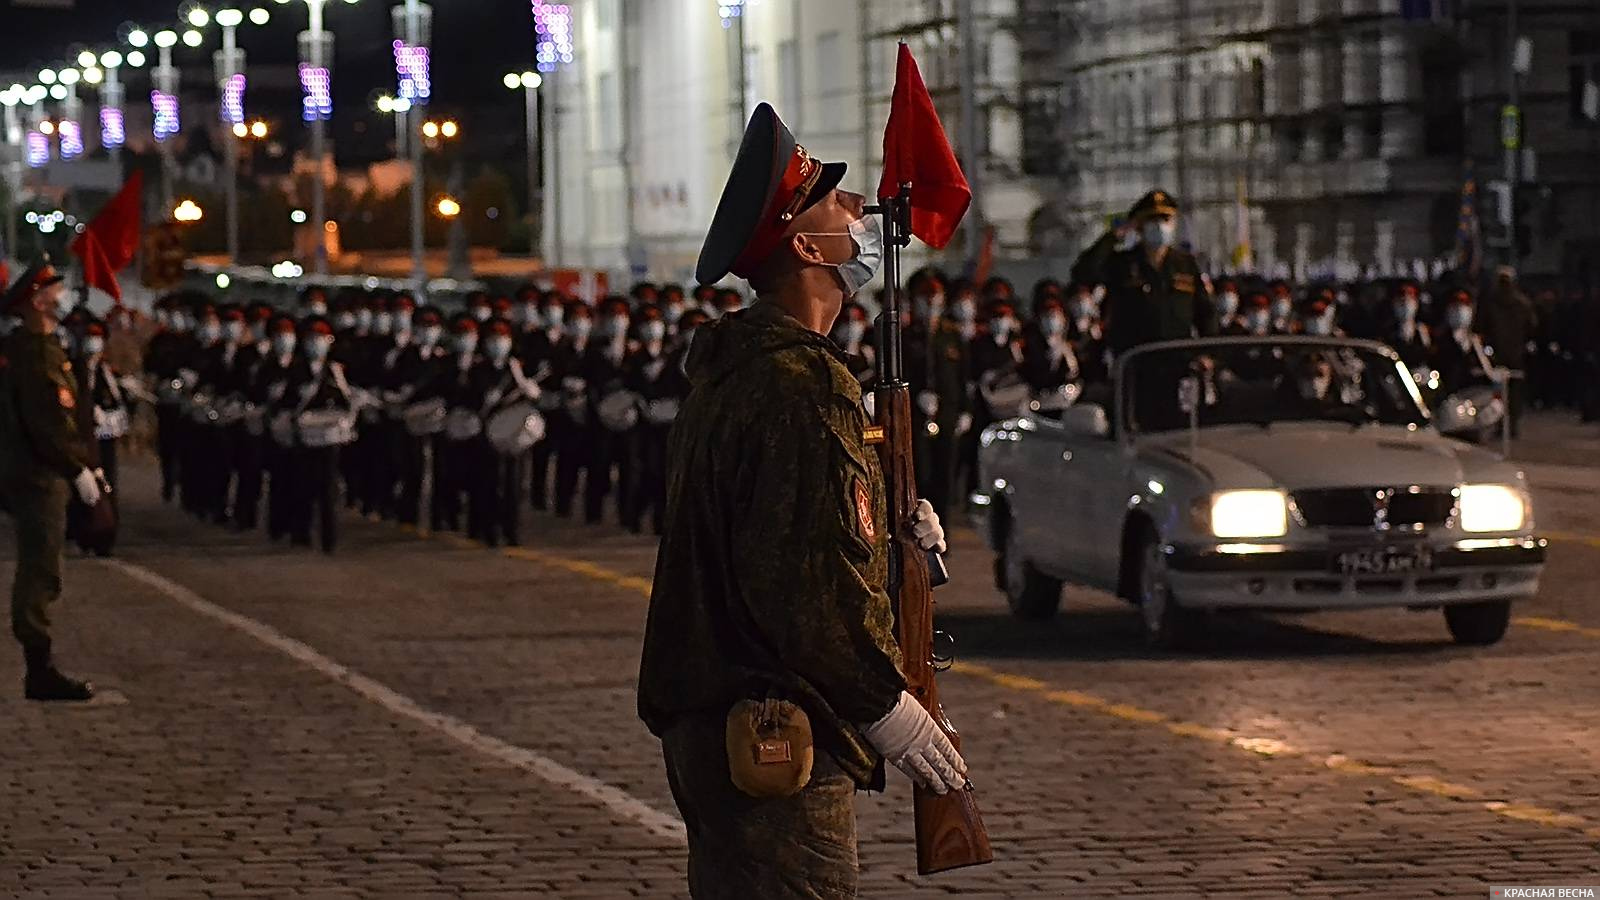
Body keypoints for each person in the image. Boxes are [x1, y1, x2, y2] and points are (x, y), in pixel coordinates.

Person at [638, 103, 960, 898]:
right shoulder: (800, 385)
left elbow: (778, 538)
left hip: (722, 724)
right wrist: (884, 705)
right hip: (776, 730)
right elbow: (797, 587)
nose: (860, 211)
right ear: (809, 247)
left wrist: (890, 541)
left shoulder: (740, 375)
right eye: (836, 203)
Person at [0, 259, 100, 701]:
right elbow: (47, 424)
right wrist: (76, 467)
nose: (60, 298)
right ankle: (38, 668)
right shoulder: (36, 352)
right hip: (40, 475)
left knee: (44, 566)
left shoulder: (41, 347)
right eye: (53, 291)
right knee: (41, 568)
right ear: (37, 300)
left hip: (41, 471)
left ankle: (39, 664)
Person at [1070, 189, 1216, 356]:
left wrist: (1208, 354)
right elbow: (1083, 273)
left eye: (1165, 219)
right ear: (1138, 225)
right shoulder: (1122, 264)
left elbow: (1206, 312)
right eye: (1152, 220)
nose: (1160, 226)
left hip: (1178, 358)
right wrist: (1113, 237)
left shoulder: (1185, 264)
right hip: (1135, 359)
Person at [1475, 266, 1537, 437]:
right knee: (1507, 392)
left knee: (1505, 391)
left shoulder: (1497, 303)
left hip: (1503, 354)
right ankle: (1507, 424)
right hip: (1509, 354)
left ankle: (1507, 424)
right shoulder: (1519, 303)